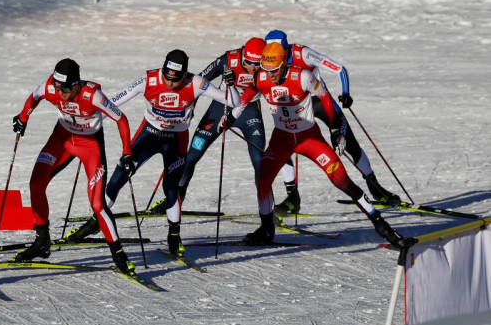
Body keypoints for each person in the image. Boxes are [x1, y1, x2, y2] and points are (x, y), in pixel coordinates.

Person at [224, 43, 405, 247]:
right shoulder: (260, 77)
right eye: (266, 70)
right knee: (263, 178)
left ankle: (381, 225)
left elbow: (325, 98)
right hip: (281, 138)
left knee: (342, 180)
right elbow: (244, 100)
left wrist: (336, 130)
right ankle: (266, 229)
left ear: (284, 63)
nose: (271, 75)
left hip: (309, 138)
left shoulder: (302, 76)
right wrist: (230, 117)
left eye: (274, 70)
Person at [66, 49, 241, 258]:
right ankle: (96, 222)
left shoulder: (195, 83)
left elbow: (234, 102)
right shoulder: (147, 79)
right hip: (148, 134)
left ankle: (174, 234)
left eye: (175, 80)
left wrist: (233, 84)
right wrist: (90, 120)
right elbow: (116, 101)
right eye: (167, 77)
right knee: (118, 177)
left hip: (176, 139)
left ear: (184, 75)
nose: (169, 83)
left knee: (171, 188)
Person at [10, 58, 137, 275]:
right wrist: (23, 118)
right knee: (36, 183)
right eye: (58, 87)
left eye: (66, 88)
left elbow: (121, 119)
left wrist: (127, 153)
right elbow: (34, 97)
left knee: (97, 204)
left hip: (90, 147)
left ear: (77, 83)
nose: (61, 93)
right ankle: (42, 241)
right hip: (62, 141)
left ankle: (118, 254)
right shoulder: (51, 87)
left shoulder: (92, 95)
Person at [264, 30, 401, 213]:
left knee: (348, 143)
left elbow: (339, 69)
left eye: (280, 50)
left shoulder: (302, 53)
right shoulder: (269, 60)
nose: (275, 55)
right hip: (293, 106)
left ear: (286, 47)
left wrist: (345, 93)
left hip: (319, 102)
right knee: (283, 144)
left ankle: (376, 188)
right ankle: (292, 198)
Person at [174, 37, 298, 212]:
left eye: (257, 63)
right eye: (248, 62)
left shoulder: (268, 65)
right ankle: (175, 202)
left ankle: (267, 211)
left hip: (249, 111)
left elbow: (285, 84)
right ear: (242, 56)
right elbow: (199, 79)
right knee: (193, 155)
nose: (253, 68)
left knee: (259, 161)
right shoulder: (229, 60)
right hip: (220, 108)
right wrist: (189, 106)